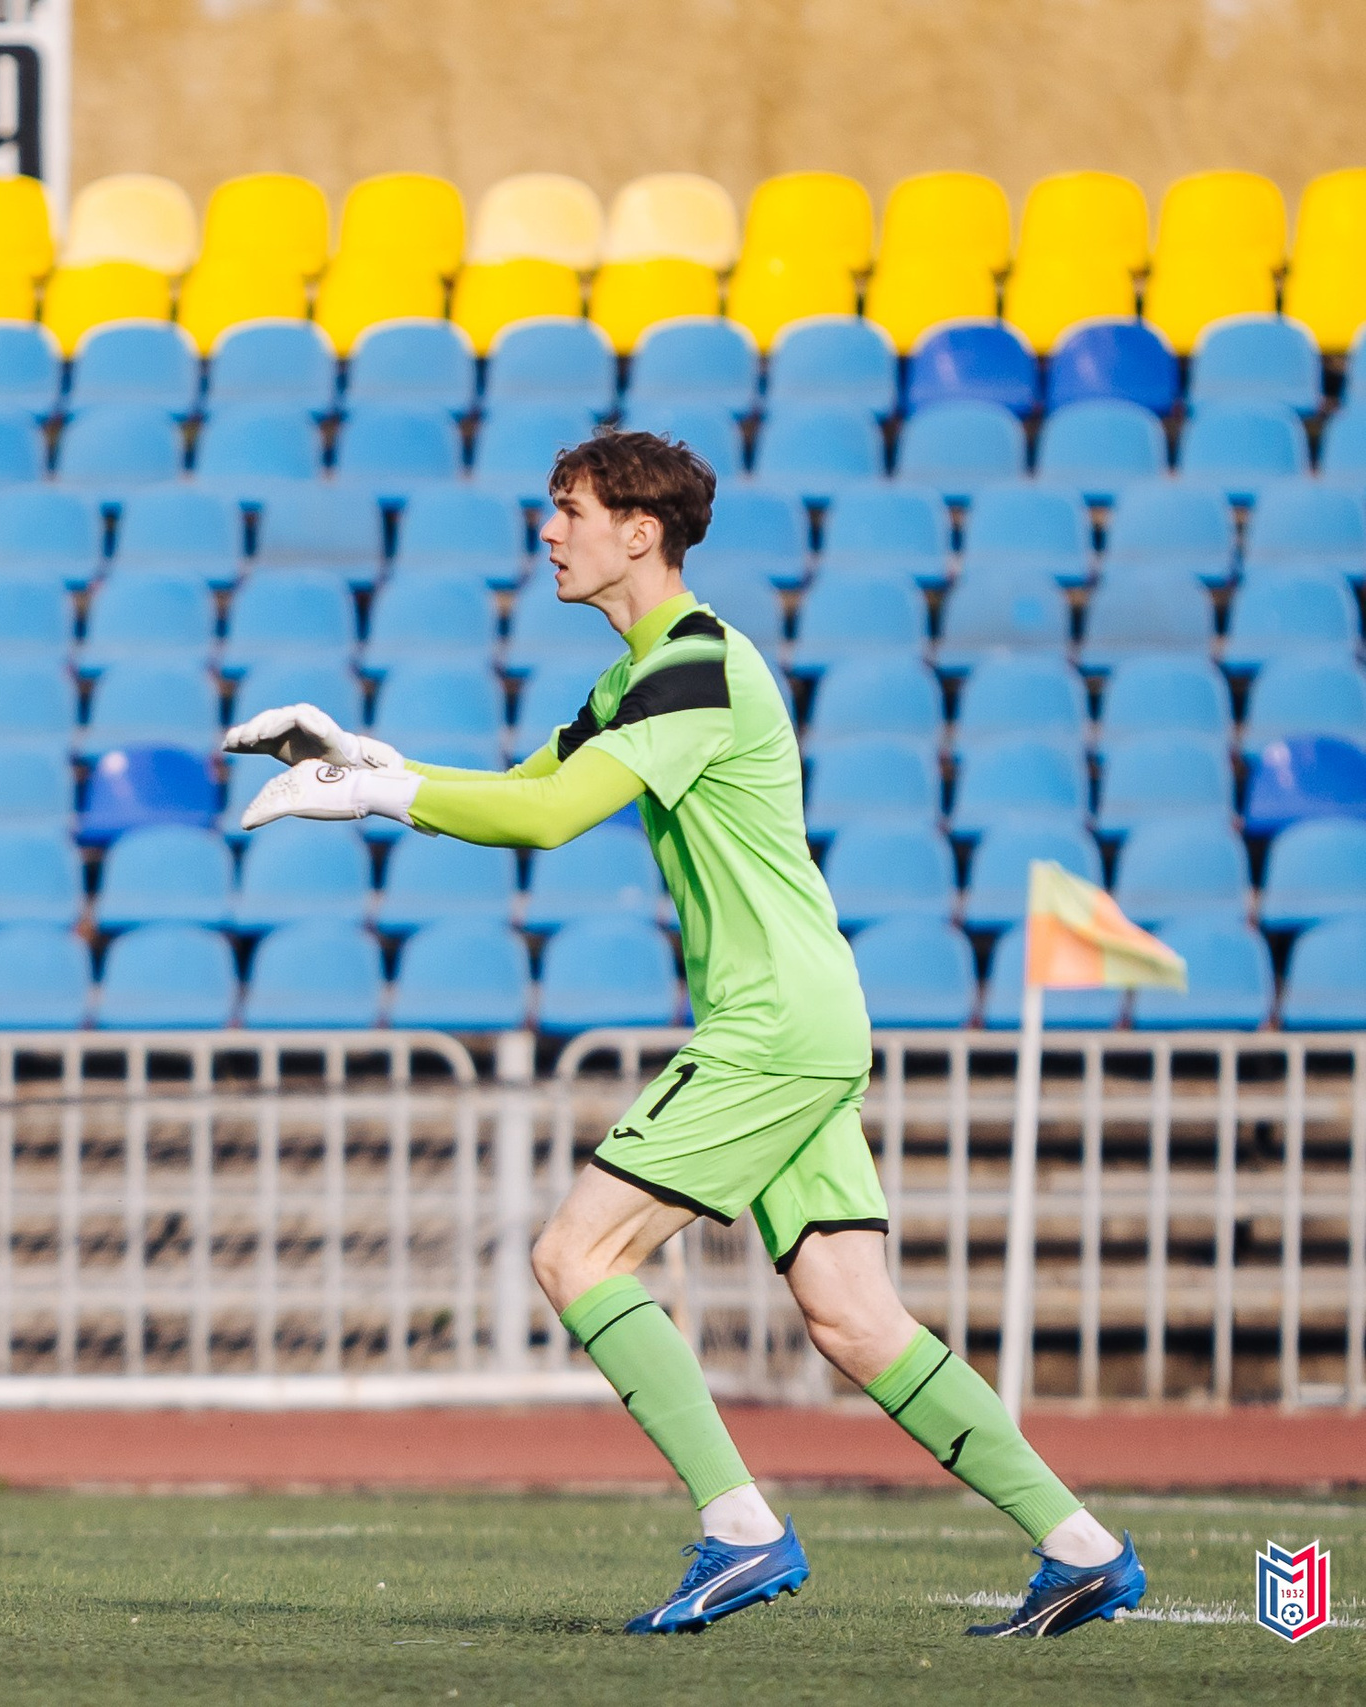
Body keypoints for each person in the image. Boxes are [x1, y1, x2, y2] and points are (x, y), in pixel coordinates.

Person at [224, 429, 1144, 1638]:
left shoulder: (692, 668)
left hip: (770, 1024)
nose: (548, 530)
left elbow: (548, 819)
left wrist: (376, 796)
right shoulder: (642, 674)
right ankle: (1081, 1549)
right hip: (802, 1017)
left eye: (567, 510)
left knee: (575, 1257)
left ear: (637, 532)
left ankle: (739, 1529)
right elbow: (521, 784)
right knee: (854, 1320)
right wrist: (372, 761)